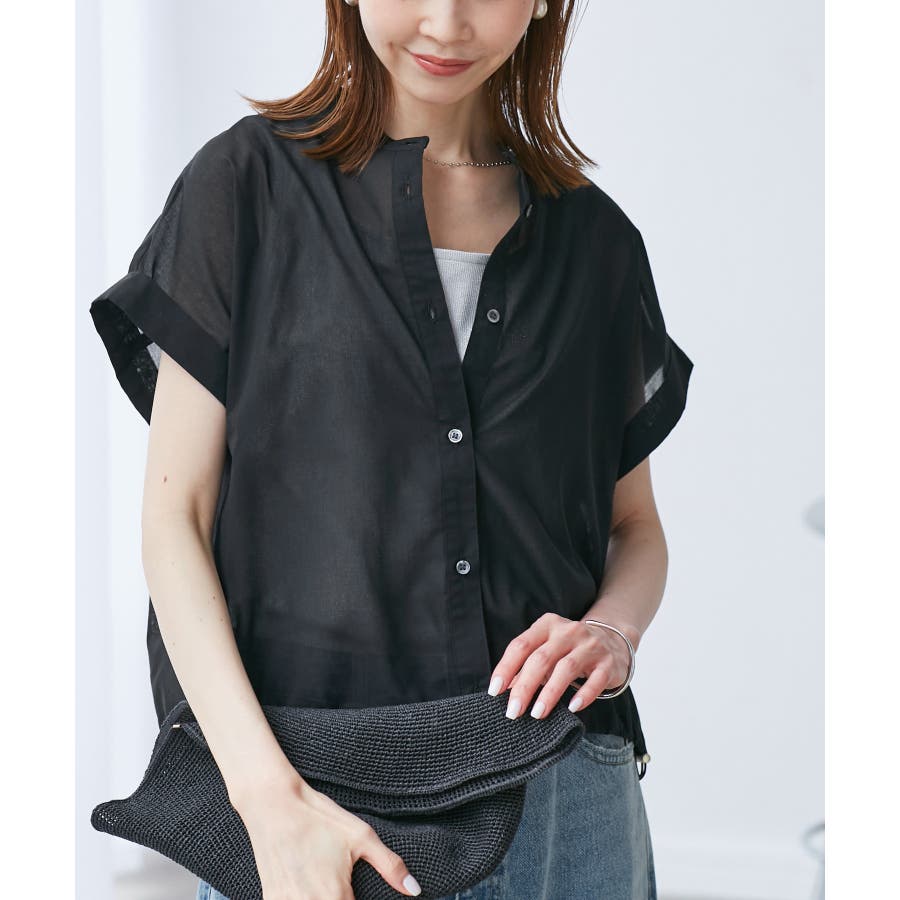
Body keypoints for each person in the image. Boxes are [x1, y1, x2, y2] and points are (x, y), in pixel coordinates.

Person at [90, 1, 693, 898]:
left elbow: (634, 527)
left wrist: (613, 630)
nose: (446, 23)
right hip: (317, 805)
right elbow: (174, 519)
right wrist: (270, 804)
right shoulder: (246, 187)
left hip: (567, 802)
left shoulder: (597, 242)